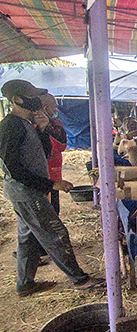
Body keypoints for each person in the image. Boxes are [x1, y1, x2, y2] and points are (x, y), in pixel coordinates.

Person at [0, 79, 105, 297]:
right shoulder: (11, 126)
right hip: (27, 193)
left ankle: (25, 284)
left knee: (27, 237)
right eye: (32, 96)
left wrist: (43, 129)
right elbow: (12, 167)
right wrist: (50, 184)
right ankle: (79, 279)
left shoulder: (26, 125)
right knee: (56, 234)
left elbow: (46, 152)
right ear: (17, 100)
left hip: (26, 192)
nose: (37, 101)